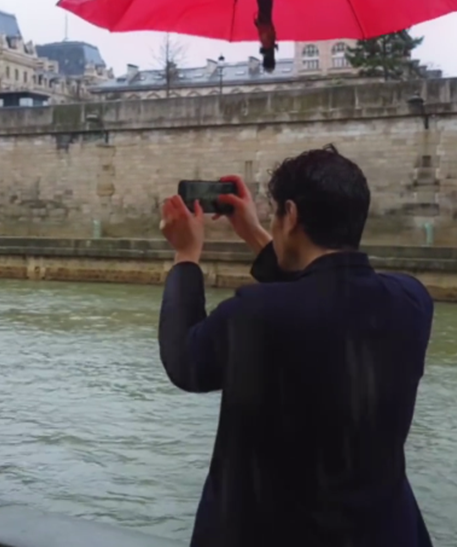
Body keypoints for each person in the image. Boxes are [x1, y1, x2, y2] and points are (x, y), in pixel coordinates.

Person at [158, 145, 436, 547]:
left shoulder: (255, 313)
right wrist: (254, 232)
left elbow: (187, 363)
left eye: (276, 215)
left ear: (290, 214)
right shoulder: (411, 301)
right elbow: (322, 293)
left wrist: (186, 255)